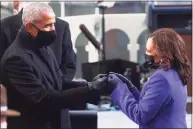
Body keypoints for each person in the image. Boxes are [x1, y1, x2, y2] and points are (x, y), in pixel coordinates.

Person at [0, 3, 108, 129]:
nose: (53, 30)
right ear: (29, 27)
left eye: (53, 24)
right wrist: (89, 90)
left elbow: (57, 82)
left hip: (57, 121)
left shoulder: (41, 46)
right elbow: (44, 99)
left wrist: (90, 85)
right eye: (47, 26)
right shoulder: (15, 58)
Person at [106, 28, 191, 128]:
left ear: (163, 52)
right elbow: (150, 105)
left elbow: (141, 115)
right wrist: (130, 89)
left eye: (149, 50)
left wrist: (118, 89)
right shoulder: (176, 73)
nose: (146, 54)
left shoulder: (161, 78)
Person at [0, 1, 76, 80]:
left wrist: (59, 86)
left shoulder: (61, 26)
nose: (52, 28)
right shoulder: (4, 27)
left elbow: (69, 65)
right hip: (20, 88)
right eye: (47, 26)